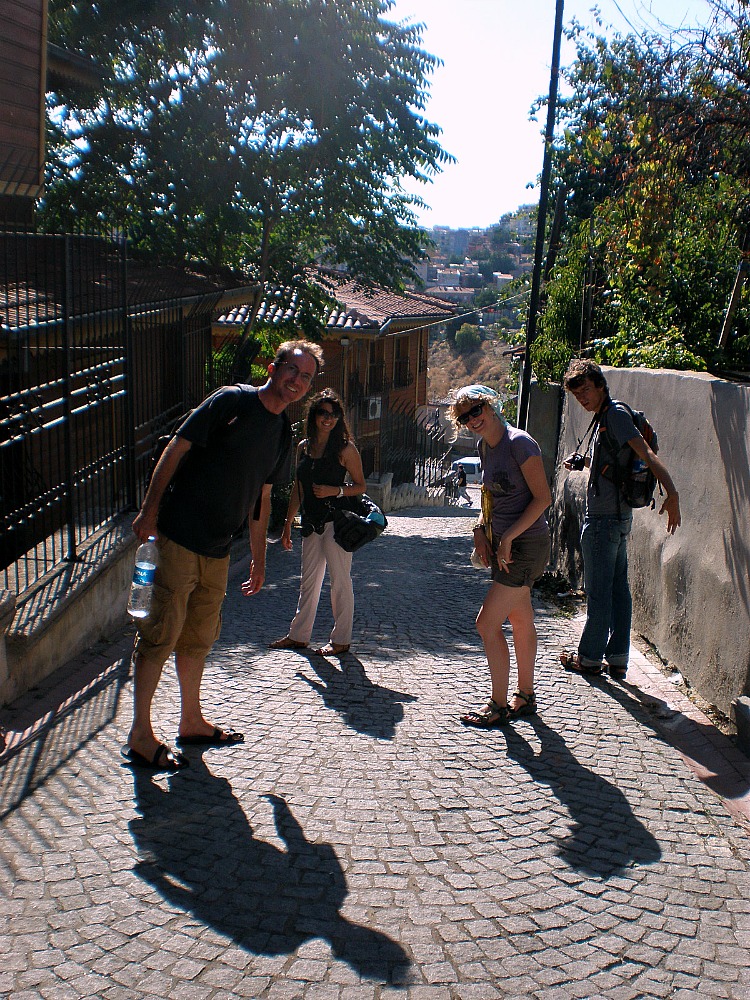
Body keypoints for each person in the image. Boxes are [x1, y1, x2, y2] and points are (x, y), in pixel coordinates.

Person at [124, 340, 323, 771]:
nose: (297, 382)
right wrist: (149, 510)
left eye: (306, 377)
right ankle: (140, 734)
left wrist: (259, 558)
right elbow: (176, 449)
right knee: (160, 635)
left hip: (218, 551)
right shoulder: (231, 401)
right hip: (178, 538)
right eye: (293, 370)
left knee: (199, 637)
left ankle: (191, 721)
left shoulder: (282, 433)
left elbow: (262, 499)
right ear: (274, 366)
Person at [560, 359, 681, 680]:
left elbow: (646, 454)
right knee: (618, 592)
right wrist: (586, 463)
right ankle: (617, 658)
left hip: (603, 522)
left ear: (601, 386)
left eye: (586, 390)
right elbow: (616, 463)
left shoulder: (614, 415)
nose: (582, 398)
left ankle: (588, 658)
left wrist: (673, 494)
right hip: (616, 519)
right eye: (576, 394)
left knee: (600, 594)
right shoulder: (608, 416)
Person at [455, 385, 552, 728]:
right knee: (521, 620)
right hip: (503, 545)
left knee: (487, 623)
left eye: (476, 410)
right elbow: (489, 497)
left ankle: (498, 704)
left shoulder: (519, 443)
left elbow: (543, 498)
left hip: (526, 546)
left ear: (491, 405)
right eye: (465, 417)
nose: (472, 419)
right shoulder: (484, 447)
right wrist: (480, 530)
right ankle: (525, 696)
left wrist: (509, 537)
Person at [269, 389, 366, 657]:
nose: (329, 418)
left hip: (337, 523)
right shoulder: (303, 447)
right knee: (308, 582)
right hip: (311, 523)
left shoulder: (346, 448)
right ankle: (299, 636)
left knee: (340, 582)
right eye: (323, 413)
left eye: (334, 414)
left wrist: (335, 491)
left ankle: (341, 640)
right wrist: (288, 523)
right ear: (314, 415)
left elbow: (361, 486)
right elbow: (298, 487)